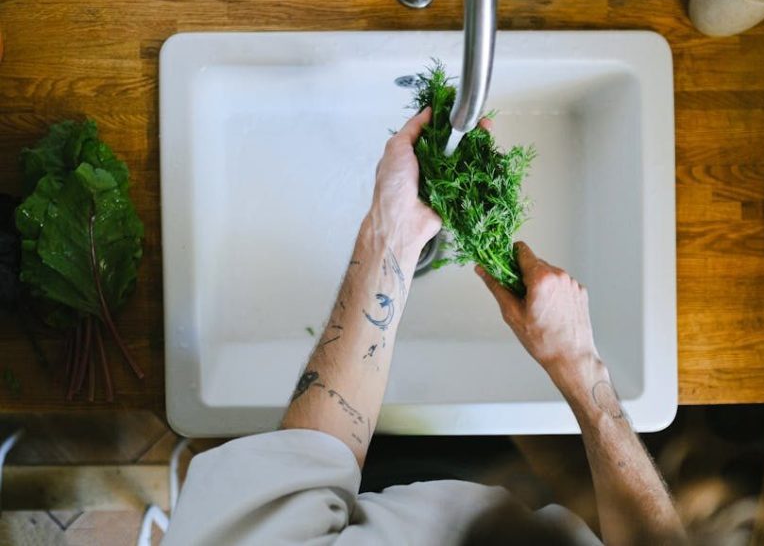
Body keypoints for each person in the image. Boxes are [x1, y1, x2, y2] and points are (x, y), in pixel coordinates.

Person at [162, 109, 686, 546]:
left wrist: (390, 233)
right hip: (480, 479)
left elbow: (306, 466)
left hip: (361, 491)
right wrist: (580, 366)